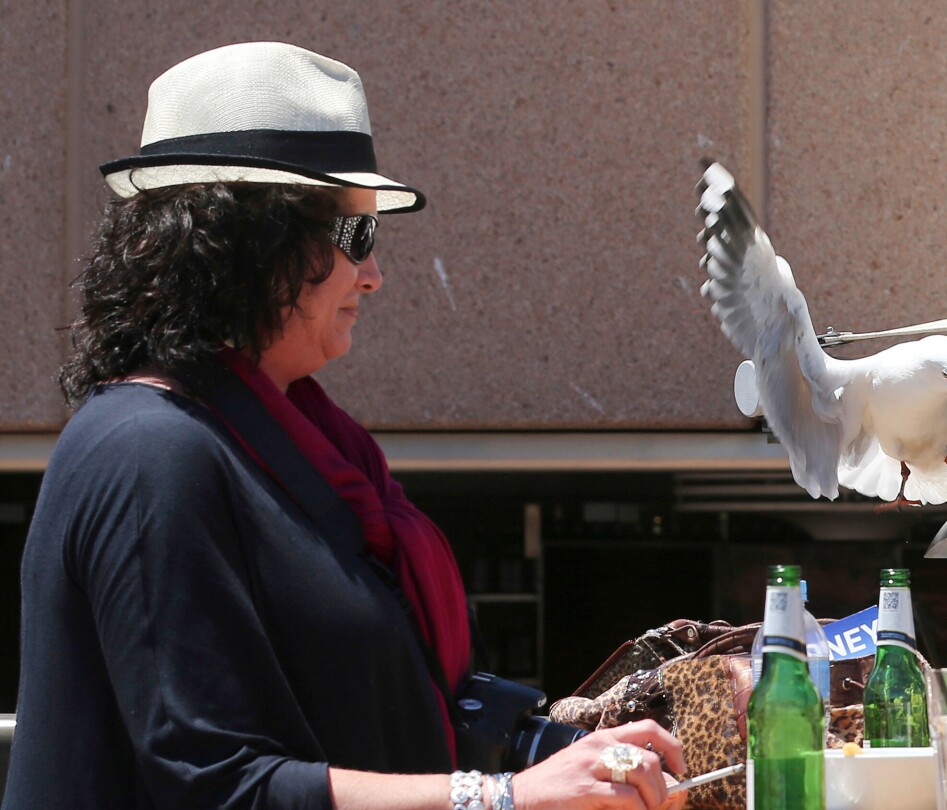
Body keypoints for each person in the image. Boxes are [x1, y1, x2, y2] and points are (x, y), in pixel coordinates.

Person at [2, 42, 687, 810]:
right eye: (354, 236)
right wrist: (502, 798)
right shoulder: (147, 451)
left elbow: (388, 706)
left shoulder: (291, 442)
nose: (373, 273)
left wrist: (582, 744)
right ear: (246, 244)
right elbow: (213, 785)